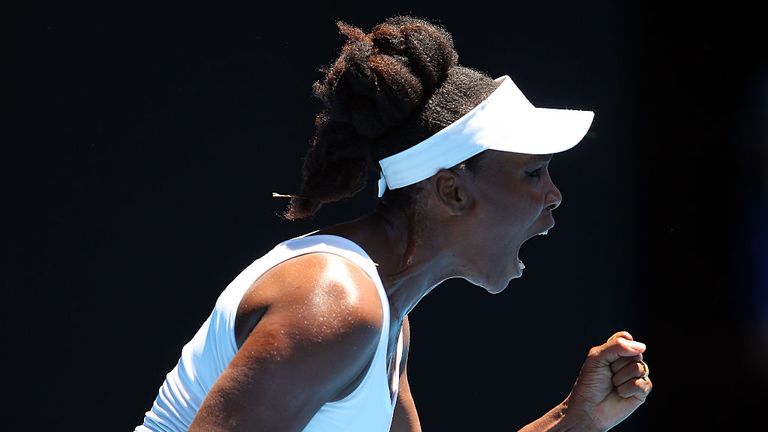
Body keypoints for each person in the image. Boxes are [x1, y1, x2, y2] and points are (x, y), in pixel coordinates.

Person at [135, 15, 652, 432]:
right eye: (534, 172)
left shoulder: (384, 321)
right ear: (452, 190)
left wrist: (574, 421)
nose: (554, 196)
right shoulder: (335, 305)